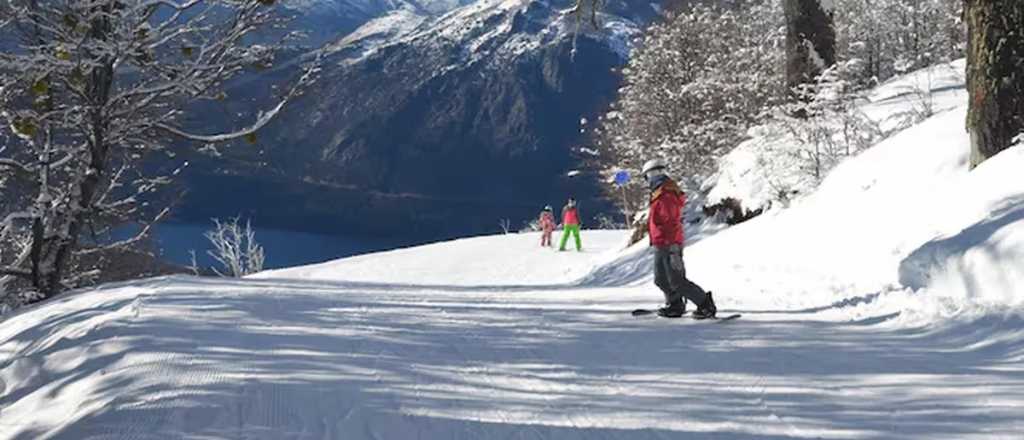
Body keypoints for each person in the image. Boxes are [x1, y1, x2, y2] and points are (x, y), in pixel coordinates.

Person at [642, 159, 717, 319]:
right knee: (660, 279)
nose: (648, 180)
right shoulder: (659, 193)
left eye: (648, 176)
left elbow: (669, 218)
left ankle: (704, 304)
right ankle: (675, 304)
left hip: (669, 242)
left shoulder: (666, 193)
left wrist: (668, 240)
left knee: (676, 279)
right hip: (660, 242)